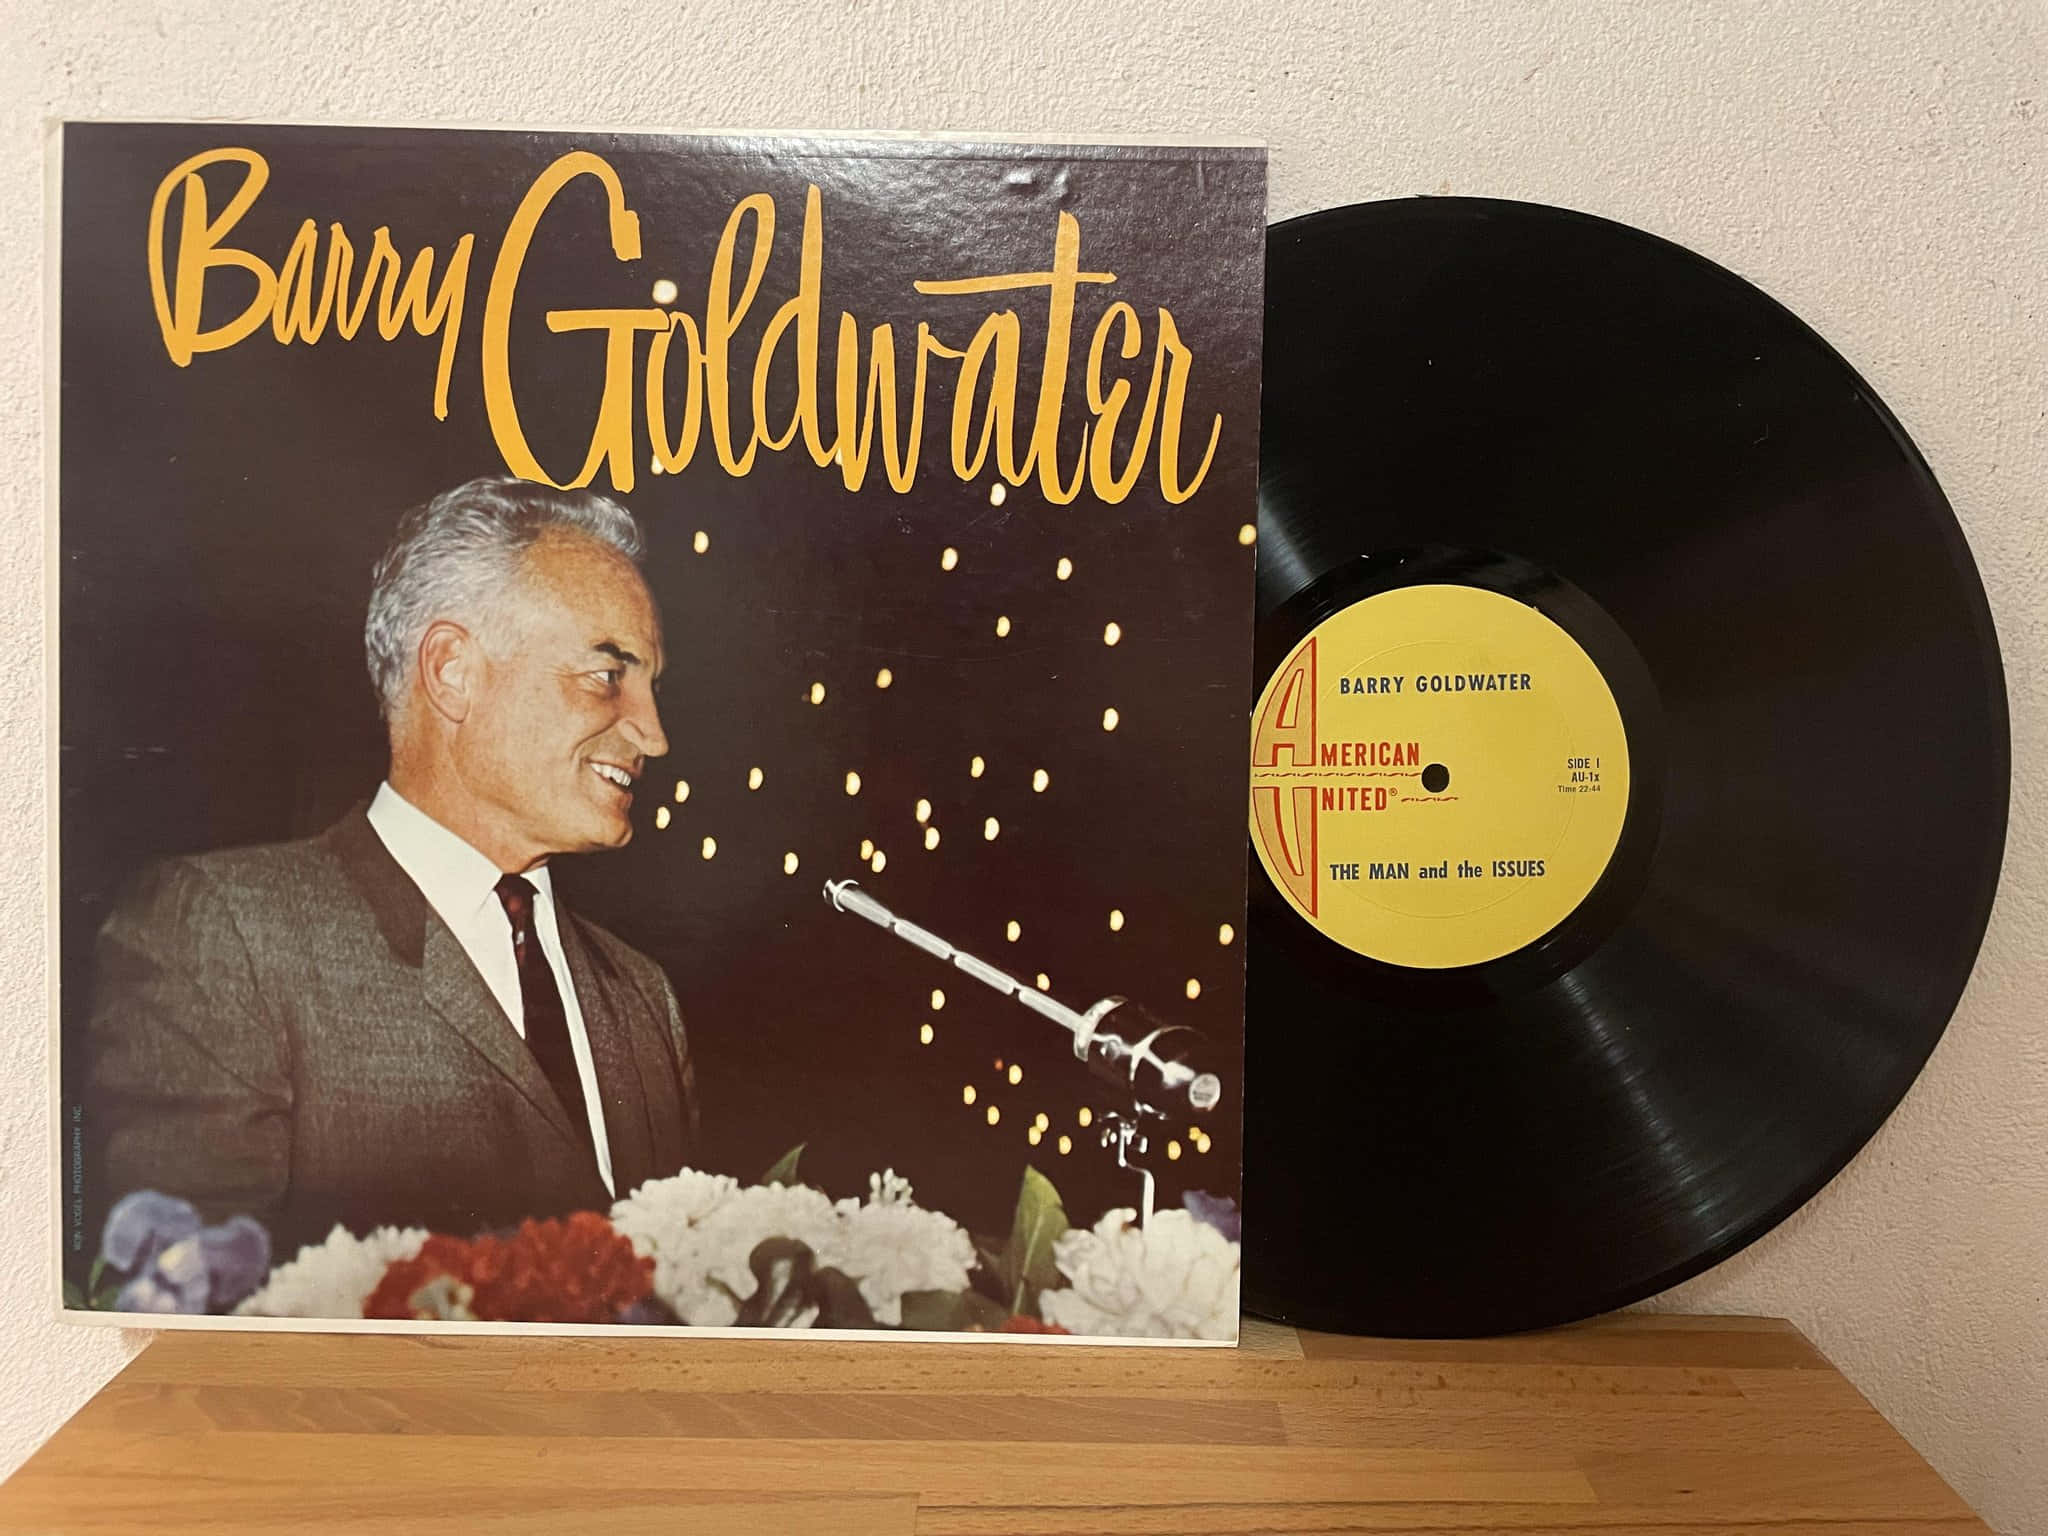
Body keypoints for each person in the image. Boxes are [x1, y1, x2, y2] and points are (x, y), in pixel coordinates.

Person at [86, 477, 697, 1263]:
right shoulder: (227, 934)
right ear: (451, 670)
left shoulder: (644, 998)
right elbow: (188, 1310)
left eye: (652, 687)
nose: (653, 734)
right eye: (607, 676)